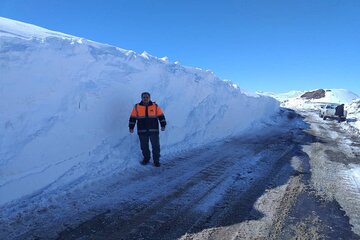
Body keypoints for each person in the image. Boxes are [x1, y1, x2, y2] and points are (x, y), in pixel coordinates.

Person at [129, 92, 166, 167]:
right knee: (144, 147)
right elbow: (132, 118)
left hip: (154, 130)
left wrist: (163, 125)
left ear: (149, 98)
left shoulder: (155, 106)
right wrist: (131, 127)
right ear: (141, 98)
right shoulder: (136, 107)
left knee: (156, 146)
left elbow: (161, 116)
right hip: (142, 131)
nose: (145, 98)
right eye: (144, 97)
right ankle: (146, 158)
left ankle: (156, 161)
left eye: (147, 97)